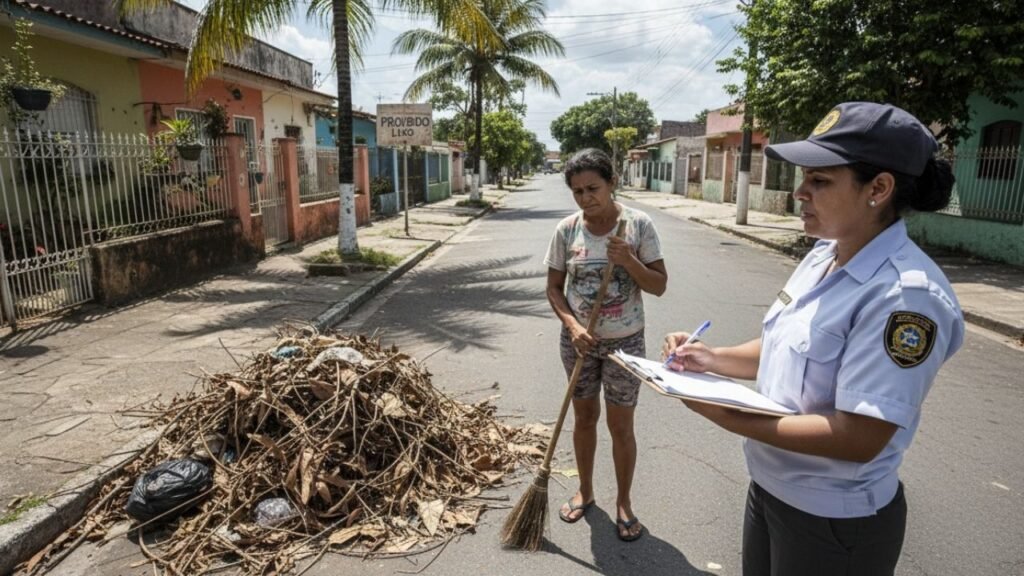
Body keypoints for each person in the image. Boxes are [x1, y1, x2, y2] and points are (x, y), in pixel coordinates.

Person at [662, 102, 964, 575]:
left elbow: (859, 436)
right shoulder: (825, 254)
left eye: (820, 181)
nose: (799, 193)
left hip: (833, 518)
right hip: (769, 488)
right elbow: (784, 348)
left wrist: (723, 412)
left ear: (879, 189)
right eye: (805, 178)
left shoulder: (905, 298)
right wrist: (711, 359)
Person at [544, 148, 667, 542]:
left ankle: (625, 502)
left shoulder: (638, 226)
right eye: (577, 191)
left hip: (625, 345)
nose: (585, 198)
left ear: (612, 183)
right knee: (583, 420)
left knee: (621, 426)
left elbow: (659, 286)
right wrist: (572, 325)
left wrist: (629, 260)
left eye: (593, 188)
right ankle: (586, 489)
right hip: (579, 345)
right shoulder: (567, 231)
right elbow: (553, 288)